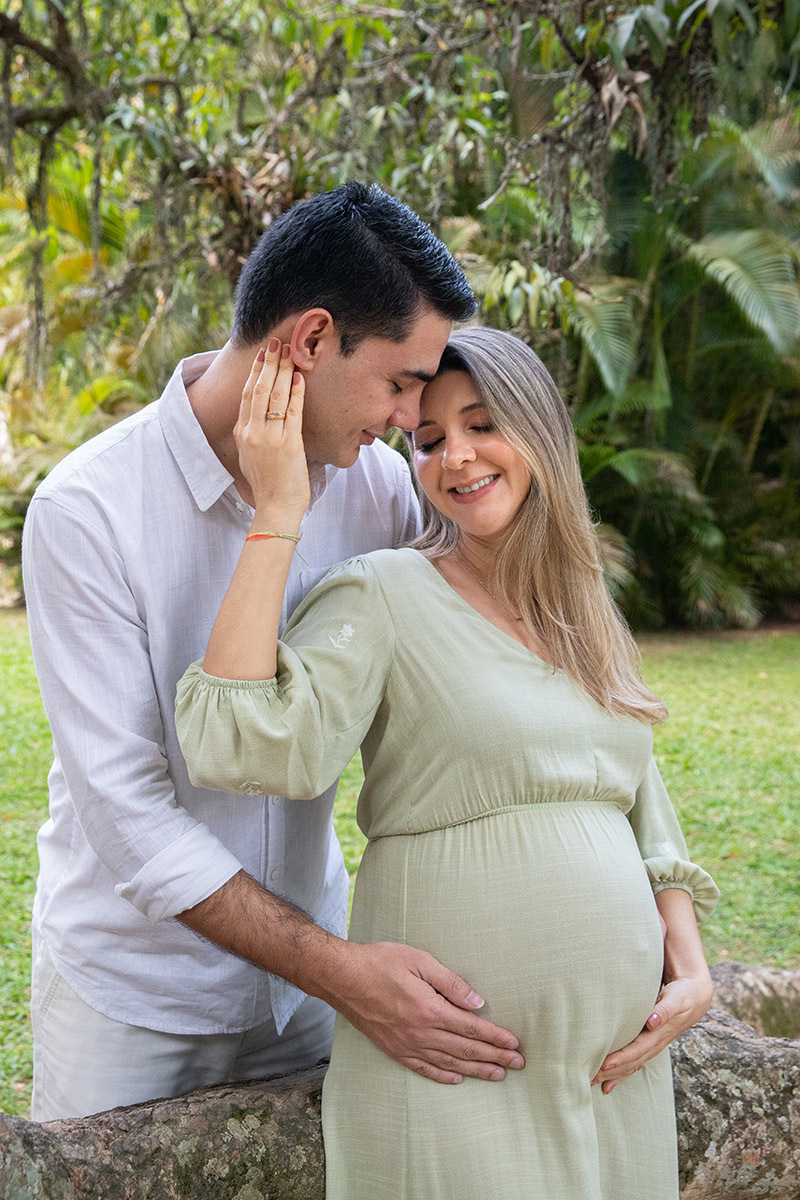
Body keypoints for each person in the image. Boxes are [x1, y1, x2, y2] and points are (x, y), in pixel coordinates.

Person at [175, 326, 720, 1199]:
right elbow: (237, 739)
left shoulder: (587, 614)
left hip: (614, 1077)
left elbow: (639, 800)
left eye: (481, 423)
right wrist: (278, 513)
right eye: (428, 440)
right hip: (455, 1067)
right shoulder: (387, 591)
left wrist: (690, 967)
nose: (456, 456)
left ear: (539, 431)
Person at [22, 182, 526, 1123]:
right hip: (132, 1000)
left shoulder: (380, 489)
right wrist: (347, 975)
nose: (409, 417)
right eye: (402, 381)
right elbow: (130, 814)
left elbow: (505, 644)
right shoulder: (84, 511)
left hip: (310, 989)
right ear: (308, 340)